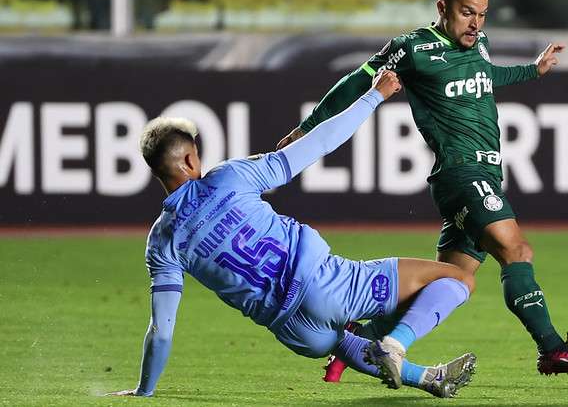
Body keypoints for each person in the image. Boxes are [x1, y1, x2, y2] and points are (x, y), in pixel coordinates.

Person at [276, 0, 568, 382]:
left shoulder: (478, 42)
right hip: (462, 174)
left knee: (451, 281)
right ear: (442, 6)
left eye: (482, 14)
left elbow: (485, 77)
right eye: (467, 12)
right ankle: (553, 349)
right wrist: (306, 129)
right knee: (516, 250)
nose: (475, 23)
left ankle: (354, 343)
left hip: (483, 173)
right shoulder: (412, 49)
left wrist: (532, 70)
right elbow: (354, 83)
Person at [106, 70, 478, 399]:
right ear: (189, 160)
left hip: (295, 332)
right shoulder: (230, 177)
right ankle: (398, 344)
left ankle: (430, 378)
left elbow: (162, 329)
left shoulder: (162, 241)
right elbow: (319, 143)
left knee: (346, 343)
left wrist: (145, 391)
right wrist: (374, 95)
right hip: (328, 285)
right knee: (458, 279)